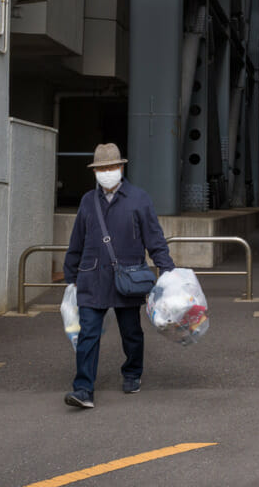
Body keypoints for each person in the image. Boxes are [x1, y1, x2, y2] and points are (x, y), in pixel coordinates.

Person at [62, 143, 175, 409]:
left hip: (128, 279)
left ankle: (133, 372)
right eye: (101, 168)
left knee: (131, 332)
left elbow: (154, 238)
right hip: (91, 278)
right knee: (88, 333)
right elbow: (77, 238)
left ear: (121, 168)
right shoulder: (88, 201)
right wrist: (70, 274)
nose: (106, 172)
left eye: (111, 167)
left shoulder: (139, 198)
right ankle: (83, 389)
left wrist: (167, 270)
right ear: (95, 172)